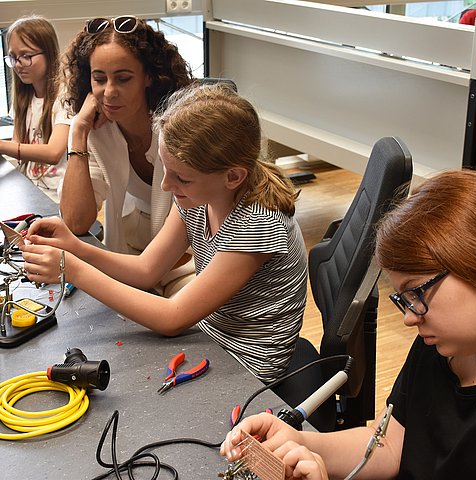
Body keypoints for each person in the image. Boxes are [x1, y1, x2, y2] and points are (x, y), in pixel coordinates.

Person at [21, 83, 308, 383]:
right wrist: (77, 248)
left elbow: (171, 318)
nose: (165, 185)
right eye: (166, 169)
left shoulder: (257, 225)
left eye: (181, 177)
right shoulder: (200, 195)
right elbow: (147, 269)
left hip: (248, 367)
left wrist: (73, 270)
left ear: (233, 177)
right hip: (212, 338)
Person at [221, 169, 476, 479]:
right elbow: (390, 444)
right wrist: (299, 441)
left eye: (416, 292)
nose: (410, 317)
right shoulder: (438, 347)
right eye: (403, 300)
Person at [59, 15, 192, 256]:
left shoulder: (181, 127)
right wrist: (78, 130)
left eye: (123, 79)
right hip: (135, 250)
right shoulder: (97, 130)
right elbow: (76, 221)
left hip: (190, 256)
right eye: (99, 79)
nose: (109, 92)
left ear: (149, 76)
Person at [0, 15, 70, 202]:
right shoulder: (24, 100)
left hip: (57, 198)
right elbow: (16, 152)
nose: (17, 65)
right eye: (13, 58)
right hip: (30, 192)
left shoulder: (65, 98)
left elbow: (54, 152)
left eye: (27, 56)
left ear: (49, 53)